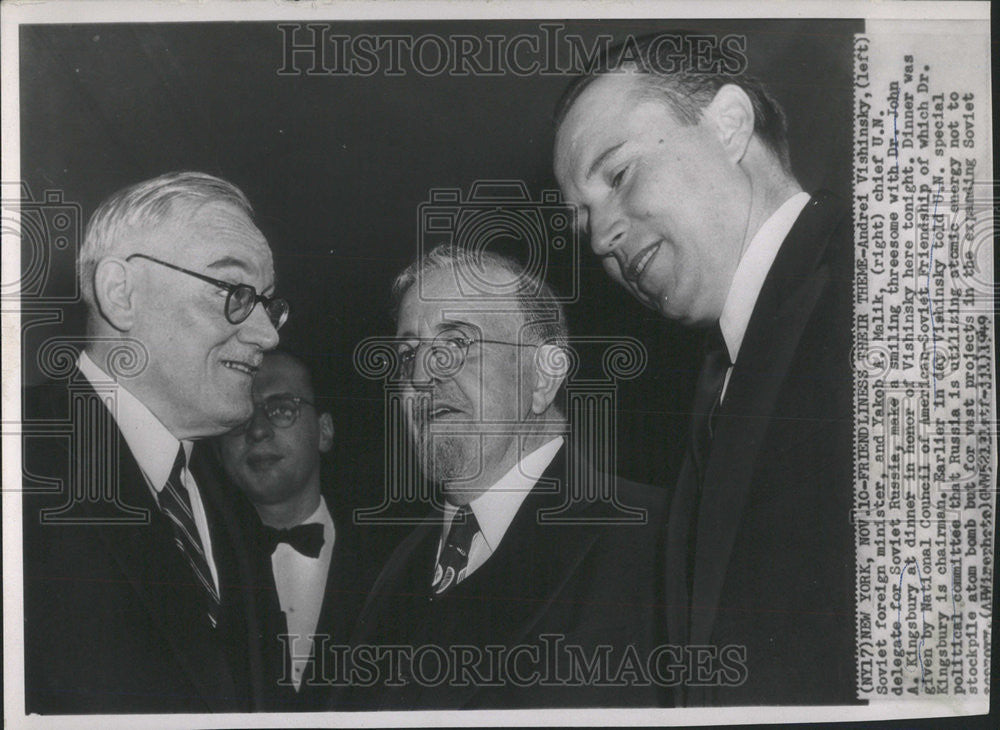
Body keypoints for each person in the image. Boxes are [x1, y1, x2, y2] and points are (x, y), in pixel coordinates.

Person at [553, 35, 855, 705]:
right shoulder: (717, 386)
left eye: (619, 174)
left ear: (728, 125)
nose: (600, 238)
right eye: (582, 221)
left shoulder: (880, 285)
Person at [344, 245, 667, 710]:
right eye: (408, 353)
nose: (419, 374)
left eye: (456, 342)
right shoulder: (390, 573)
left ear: (542, 377)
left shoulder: (658, 541)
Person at [22, 171, 286, 713]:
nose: (268, 334)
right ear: (121, 294)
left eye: (266, 302)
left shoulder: (231, 506)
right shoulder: (20, 460)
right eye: (233, 292)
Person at [216, 350, 368, 710]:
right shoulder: (198, 565)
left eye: (282, 408)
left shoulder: (396, 561)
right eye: (240, 415)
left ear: (324, 432)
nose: (256, 430)